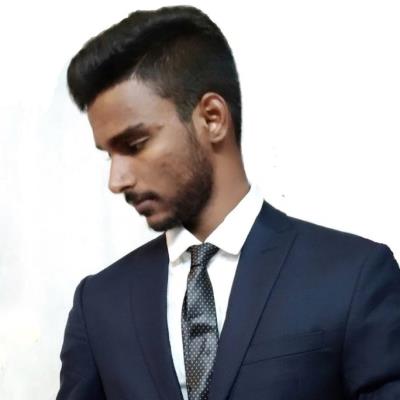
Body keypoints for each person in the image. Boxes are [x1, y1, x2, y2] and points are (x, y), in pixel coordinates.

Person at [57, 5, 400, 400]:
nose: (117, 181)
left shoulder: (353, 276)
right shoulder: (98, 305)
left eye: (135, 145)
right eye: (109, 155)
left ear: (212, 118)